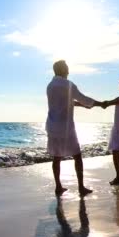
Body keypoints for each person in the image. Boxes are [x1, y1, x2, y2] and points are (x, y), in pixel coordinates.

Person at [46, 60, 101, 197]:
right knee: (77, 156)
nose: (68, 71)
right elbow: (84, 99)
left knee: (56, 157)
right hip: (66, 127)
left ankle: (58, 187)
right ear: (63, 70)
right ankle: (81, 187)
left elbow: (64, 102)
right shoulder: (68, 85)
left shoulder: (50, 86)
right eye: (67, 68)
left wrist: (83, 105)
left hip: (52, 126)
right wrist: (99, 104)